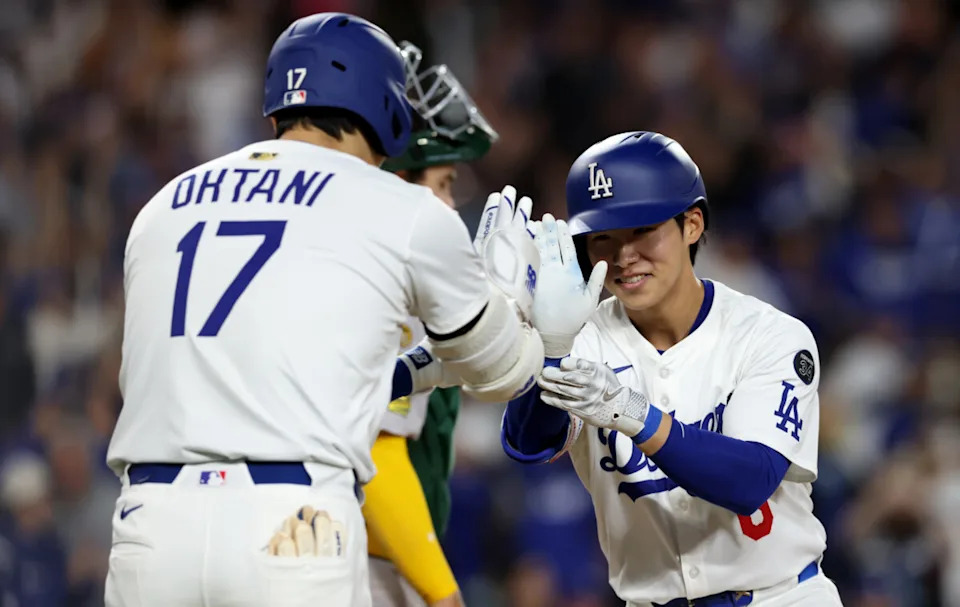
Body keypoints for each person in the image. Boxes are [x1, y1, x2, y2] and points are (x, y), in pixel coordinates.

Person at [103, 13, 543, 607]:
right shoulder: (401, 207)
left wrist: (418, 365)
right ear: (388, 109)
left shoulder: (159, 209)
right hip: (292, 523)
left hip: (149, 529)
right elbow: (502, 372)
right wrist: (518, 307)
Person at [502, 131, 844, 606]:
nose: (624, 257)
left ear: (693, 224)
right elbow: (528, 445)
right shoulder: (580, 337)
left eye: (642, 230)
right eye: (603, 238)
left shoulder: (769, 336)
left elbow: (750, 481)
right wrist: (550, 348)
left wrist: (631, 413)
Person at [364, 42, 499, 607]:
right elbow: (375, 459)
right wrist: (441, 592)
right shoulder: (380, 286)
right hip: (360, 556)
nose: (450, 206)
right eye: (442, 185)